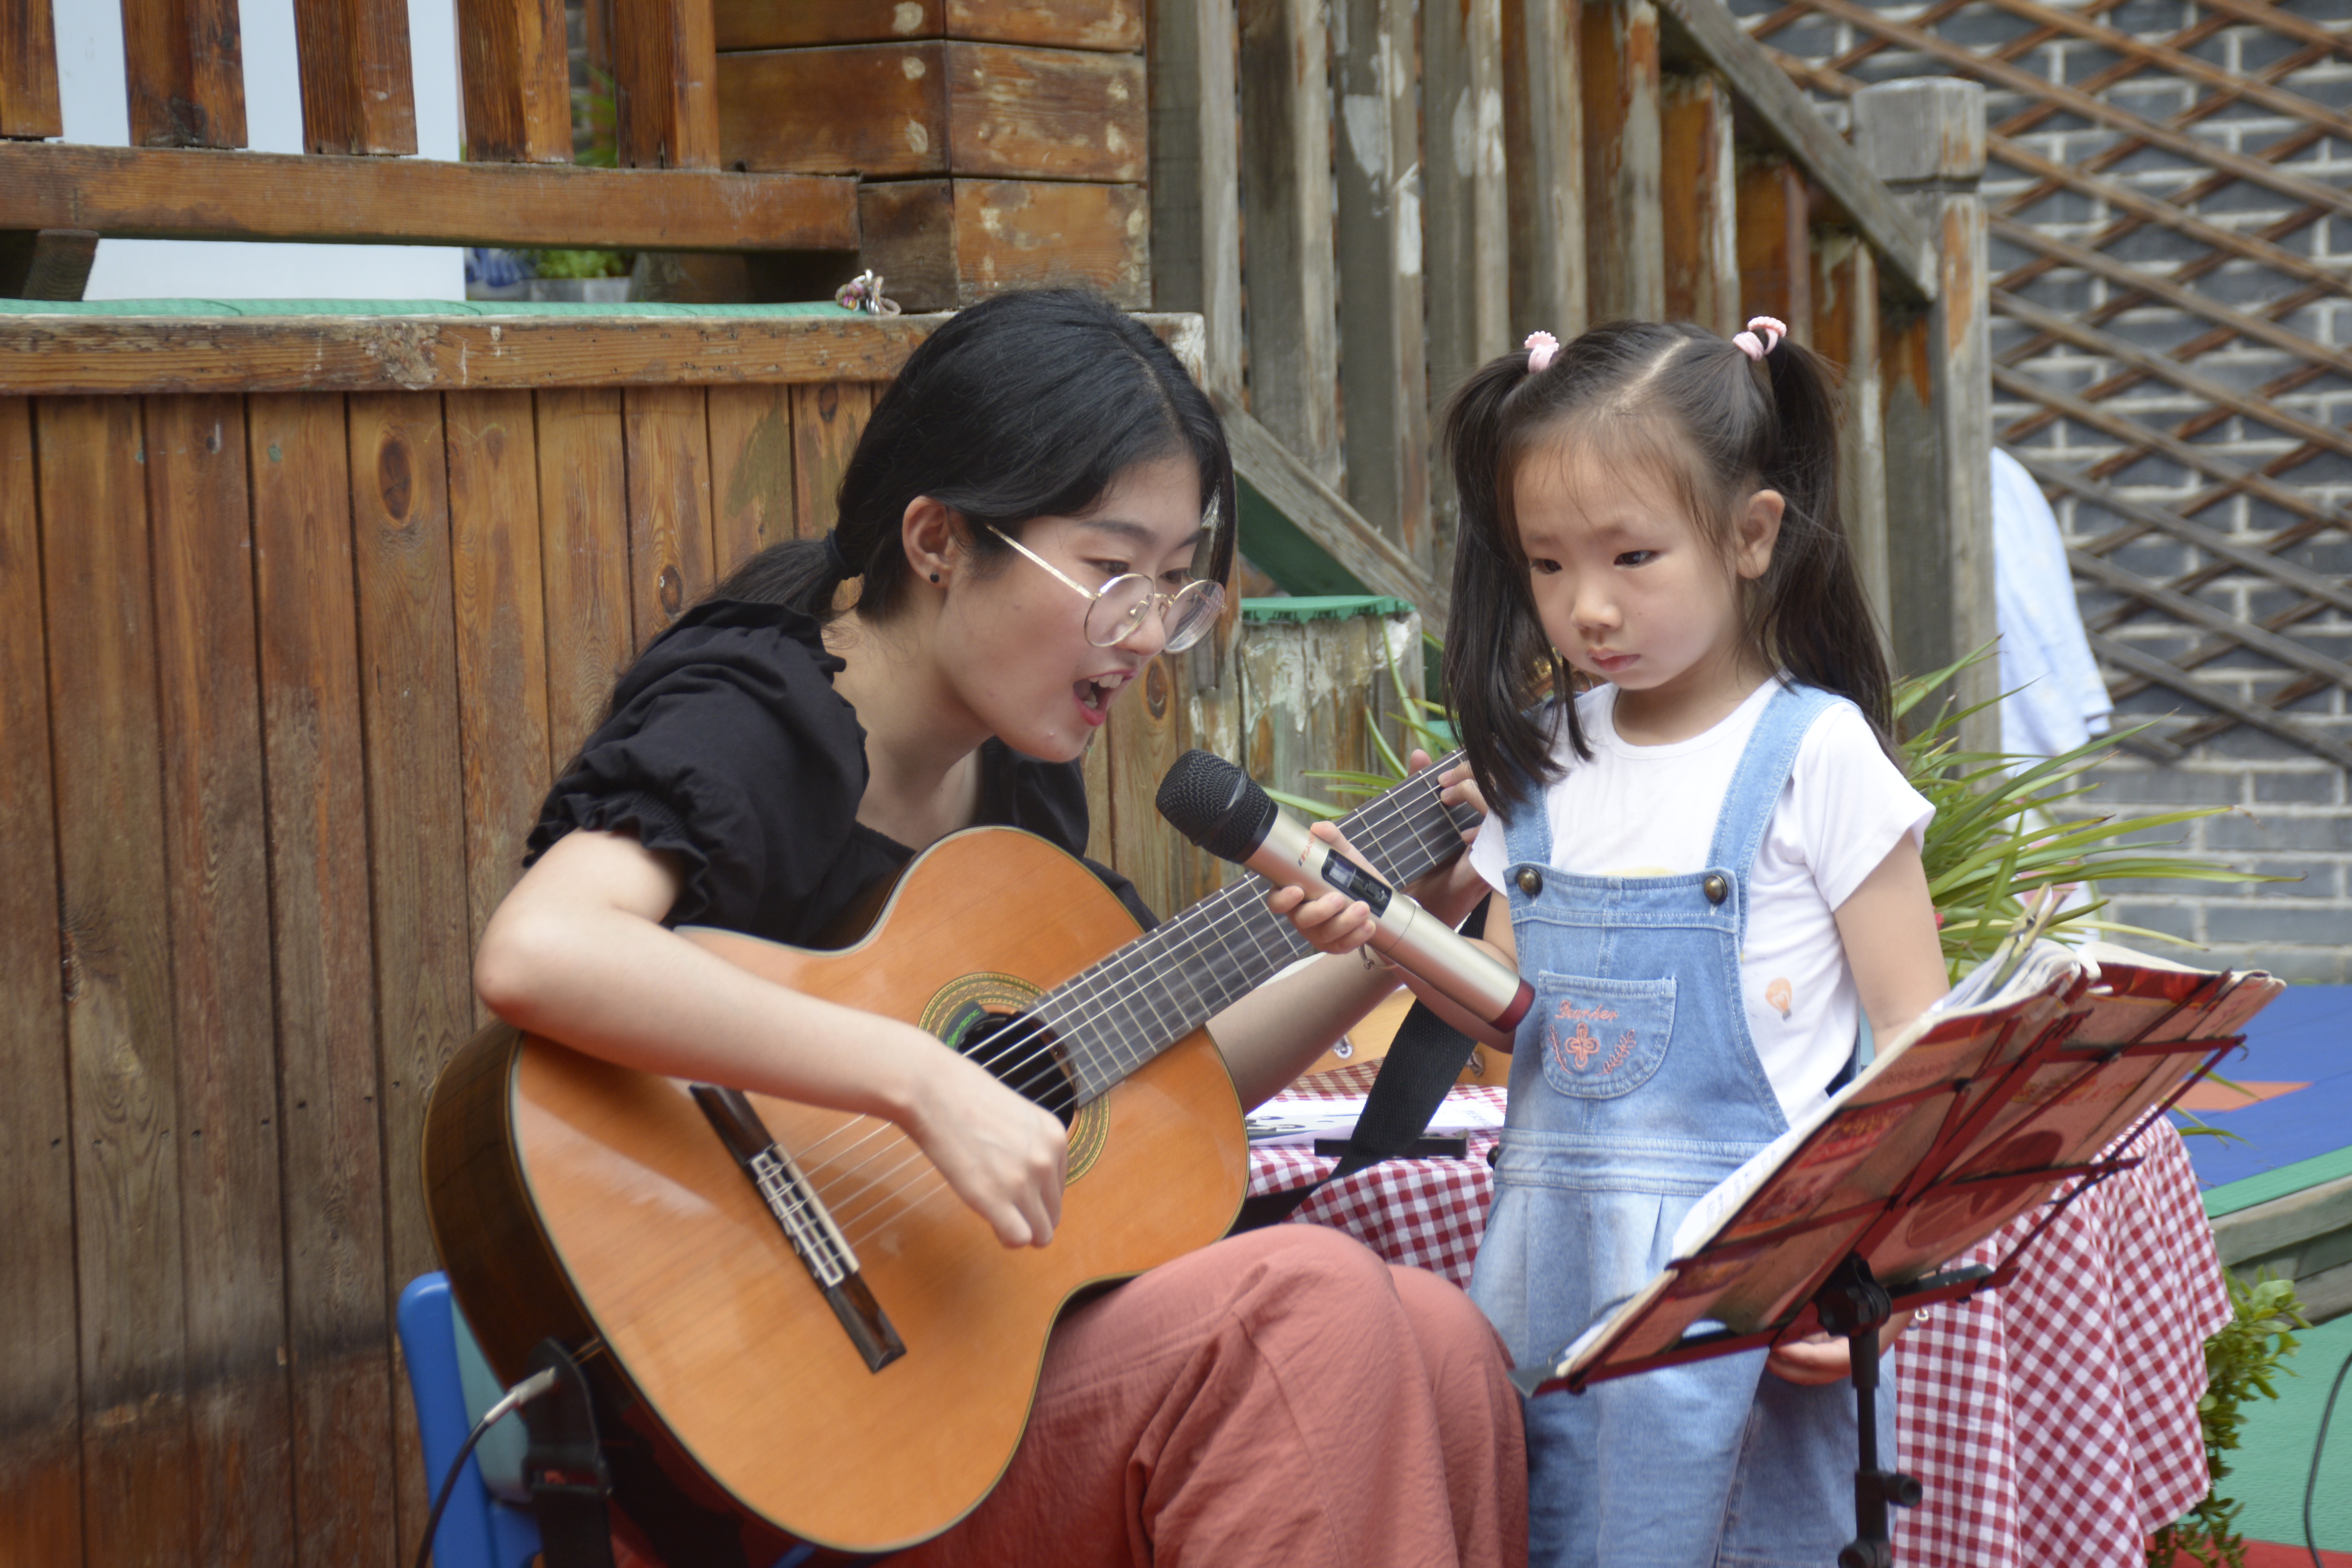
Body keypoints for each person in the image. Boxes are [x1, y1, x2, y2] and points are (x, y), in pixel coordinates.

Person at [471, 289, 1527, 1568]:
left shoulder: (1015, 777)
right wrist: (918, 1081)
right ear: (938, 540)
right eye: (1113, 574)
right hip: (768, 1432)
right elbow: (542, 952)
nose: (1147, 634)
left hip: (961, 1378)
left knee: (1444, 1342)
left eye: (1175, 588)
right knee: (1302, 1306)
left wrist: (1398, 920)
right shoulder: (756, 713)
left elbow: (1152, 1082)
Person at [1422, 316, 1950, 1567]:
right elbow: (1507, 1012)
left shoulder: (1815, 755)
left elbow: (1918, 1042)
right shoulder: (1542, 758)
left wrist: (1854, 1256)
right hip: (1546, 1271)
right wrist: (1391, 940)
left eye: (1632, 555)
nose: (1587, 606)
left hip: (1744, 1279)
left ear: (1752, 534)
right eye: (1548, 564)